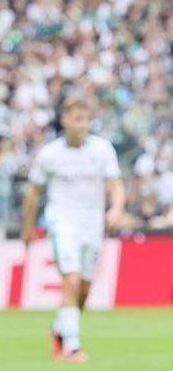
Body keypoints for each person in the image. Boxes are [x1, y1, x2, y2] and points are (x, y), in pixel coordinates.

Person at [22, 95, 125, 364]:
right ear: (65, 119)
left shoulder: (102, 149)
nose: (83, 125)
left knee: (85, 288)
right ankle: (71, 347)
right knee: (72, 280)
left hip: (92, 225)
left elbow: (116, 184)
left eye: (87, 119)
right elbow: (32, 192)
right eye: (78, 119)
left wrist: (116, 209)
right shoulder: (50, 154)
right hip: (62, 223)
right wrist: (28, 227)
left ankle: (61, 328)